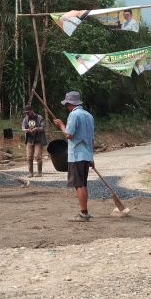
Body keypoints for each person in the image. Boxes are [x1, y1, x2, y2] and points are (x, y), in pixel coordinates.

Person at [52, 91, 95, 222]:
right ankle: (85, 211)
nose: (66, 107)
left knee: (79, 184)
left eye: (66, 105)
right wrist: (91, 157)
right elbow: (91, 139)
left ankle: (84, 213)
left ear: (70, 104)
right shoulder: (89, 115)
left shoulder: (74, 115)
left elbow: (68, 134)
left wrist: (61, 125)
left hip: (76, 155)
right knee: (83, 184)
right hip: (86, 154)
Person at [21, 104, 47, 177]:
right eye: (26, 113)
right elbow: (23, 128)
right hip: (29, 140)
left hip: (38, 140)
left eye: (28, 112)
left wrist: (37, 129)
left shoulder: (39, 118)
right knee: (29, 157)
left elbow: (43, 127)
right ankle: (30, 172)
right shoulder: (25, 119)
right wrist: (26, 130)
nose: (27, 114)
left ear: (32, 110)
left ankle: (39, 172)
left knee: (38, 156)